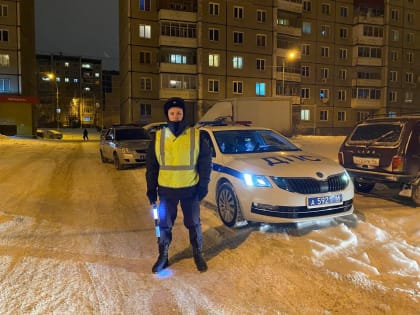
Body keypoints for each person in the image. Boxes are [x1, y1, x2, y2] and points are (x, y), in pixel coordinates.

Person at [146, 97, 212, 273]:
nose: (176, 116)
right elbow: (152, 167)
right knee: (164, 225)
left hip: (190, 190)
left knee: (194, 223)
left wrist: (203, 185)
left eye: (179, 113)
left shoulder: (195, 135)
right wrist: (151, 189)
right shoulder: (158, 137)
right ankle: (163, 255)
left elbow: (205, 162)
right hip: (166, 192)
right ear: (168, 115)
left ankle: (198, 253)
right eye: (172, 113)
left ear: (183, 115)